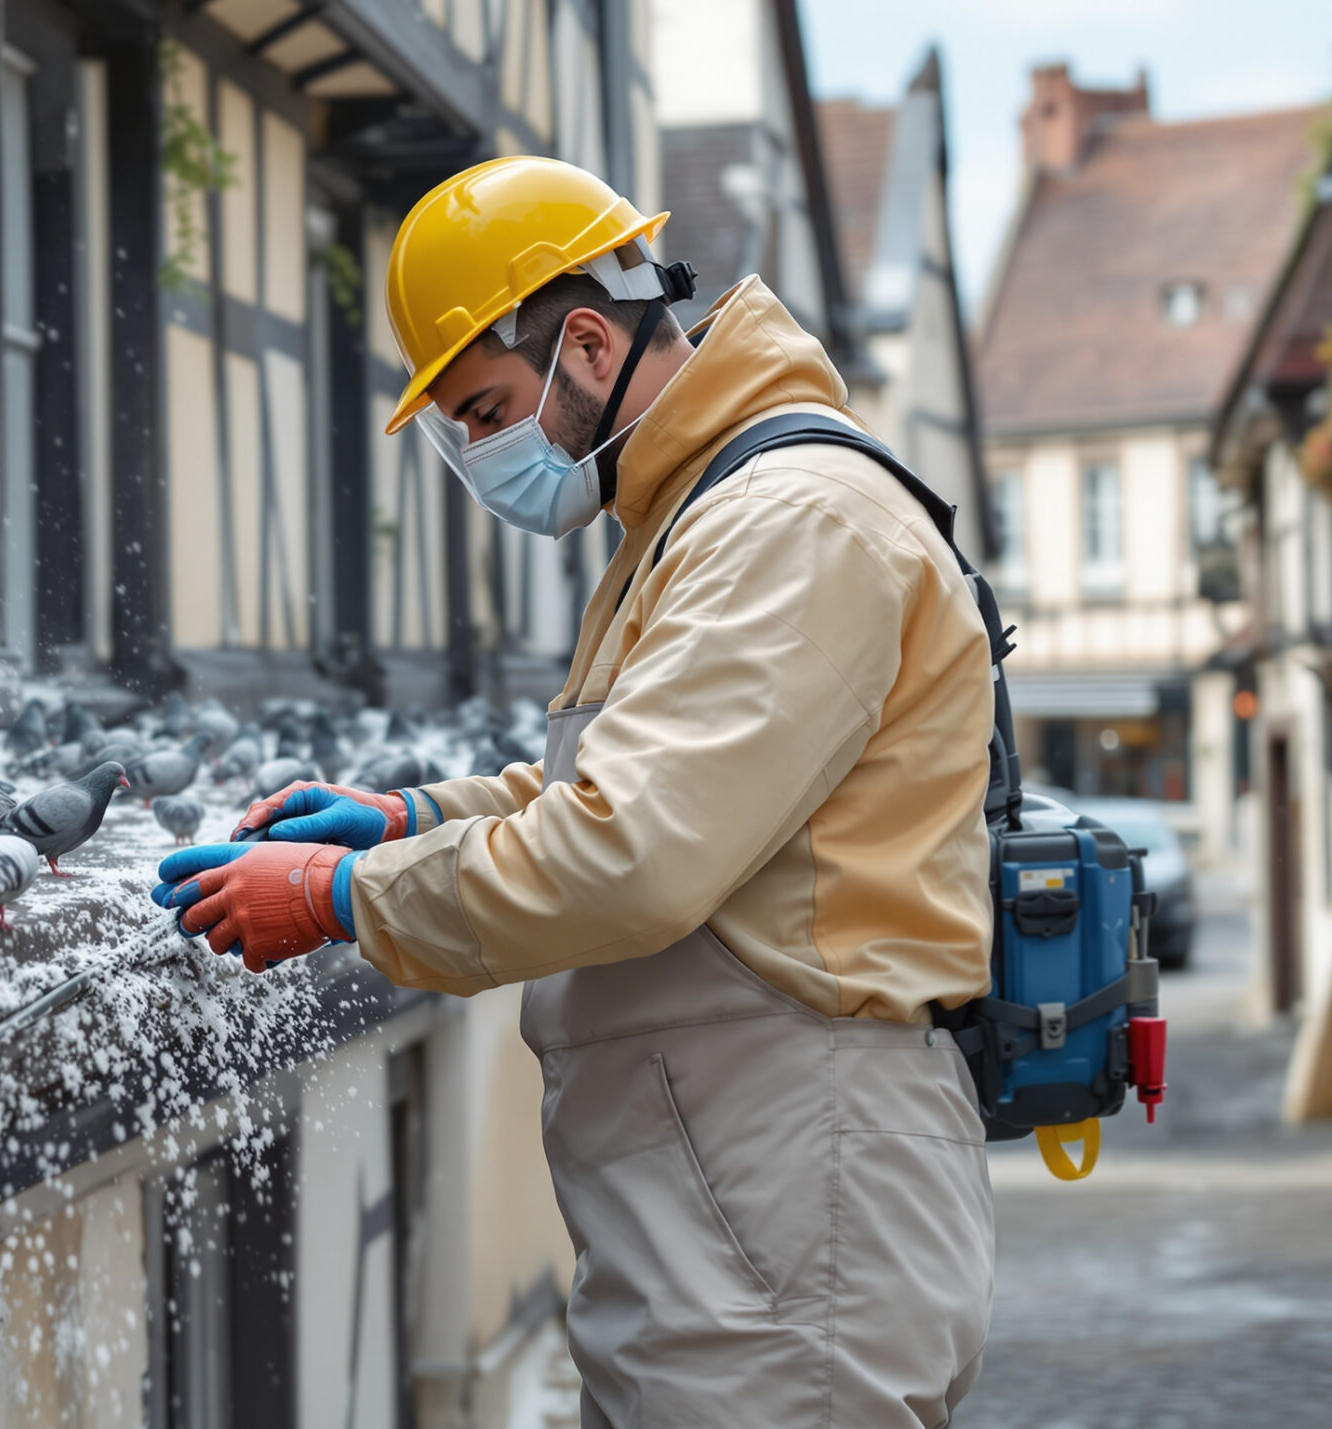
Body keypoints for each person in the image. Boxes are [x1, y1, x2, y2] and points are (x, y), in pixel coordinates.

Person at [153, 157, 996, 1428]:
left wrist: (341, 897)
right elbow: (643, 784)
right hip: (731, 1203)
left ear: (588, 343)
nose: (485, 453)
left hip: (784, 1201)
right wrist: (411, 822)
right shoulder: (704, 510)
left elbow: (633, 853)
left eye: (487, 409)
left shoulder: (787, 521)